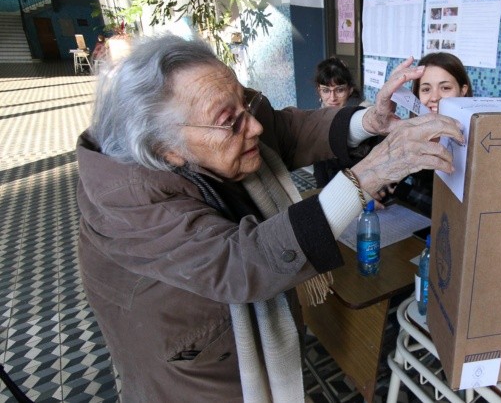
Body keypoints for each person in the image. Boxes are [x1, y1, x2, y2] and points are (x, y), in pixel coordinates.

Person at [75, 34, 463, 402]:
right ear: (166, 150)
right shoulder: (125, 197)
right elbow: (239, 262)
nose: (254, 127)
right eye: (231, 121)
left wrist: (369, 122)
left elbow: (284, 130)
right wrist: (369, 175)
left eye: (245, 103)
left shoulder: (214, 128)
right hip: (195, 366)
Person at [394, 52, 473, 216]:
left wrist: (400, 191)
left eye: (445, 88)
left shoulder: (476, 142)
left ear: (462, 90)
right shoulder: (407, 135)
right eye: (426, 89)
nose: (435, 97)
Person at [312, 57, 368, 187]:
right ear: (319, 91)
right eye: (326, 90)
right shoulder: (316, 120)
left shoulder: (363, 118)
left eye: (339, 90)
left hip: (361, 187)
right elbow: (319, 169)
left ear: (350, 90)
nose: (332, 98)